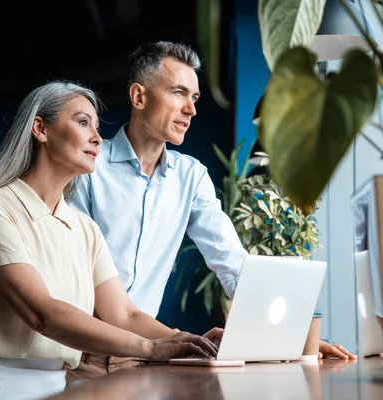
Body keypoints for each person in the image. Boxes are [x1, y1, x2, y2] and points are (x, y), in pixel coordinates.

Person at [69, 41, 356, 378]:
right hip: (82, 356)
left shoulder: (191, 177)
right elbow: (96, 292)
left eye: (194, 98)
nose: (190, 109)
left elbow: (234, 266)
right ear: (139, 97)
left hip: (147, 360)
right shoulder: (88, 168)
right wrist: (182, 340)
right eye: (178, 92)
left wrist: (294, 339)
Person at [0, 81, 220, 400]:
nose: (97, 137)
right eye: (83, 122)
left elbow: (125, 315)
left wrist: (191, 342)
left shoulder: (84, 229)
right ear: (40, 129)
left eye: (97, 126)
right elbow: (43, 314)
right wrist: (151, 348)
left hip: (58, 385)